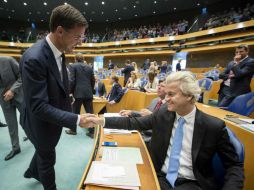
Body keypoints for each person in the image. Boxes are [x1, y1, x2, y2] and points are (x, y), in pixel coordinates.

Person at [88, 71, 244, 190]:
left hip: (191, 183)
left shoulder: (213, 126)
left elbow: (234, 166)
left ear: (189, 96)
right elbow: (135, 123)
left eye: (171, 94)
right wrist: (101, 120)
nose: (166, 98)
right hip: (159, 177)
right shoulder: (164, 113)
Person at [20, 5, 95, 190]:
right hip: (40, 123)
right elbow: (38, 106)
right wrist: (77, 118)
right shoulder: (34, 58)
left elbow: (58, 83)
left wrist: (66, 97)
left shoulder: (60, 51)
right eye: (77, 37)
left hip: (52, 119)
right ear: (60, 31)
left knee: (42, 151)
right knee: (48, 158)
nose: (80, 42)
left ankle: (31, 171)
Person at [120, 79, 166, 145]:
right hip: (141, 131)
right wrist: (131, 112)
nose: (158, 87)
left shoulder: (169, 106)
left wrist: (151, 115)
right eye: (158, 85)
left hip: (151, 138)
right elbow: (143, 114)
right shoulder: (155, 101)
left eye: (162, 86)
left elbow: (164, 123)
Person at [0, 56, 24, 160]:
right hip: (3, 99)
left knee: (26, 120)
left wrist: (12, 90)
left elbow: (22, 76)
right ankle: (16, 148)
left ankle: (36, 140)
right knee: (11, 124)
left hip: (18, 95)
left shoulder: (8, 60)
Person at [65, 53, 95, 136]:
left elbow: (72, 80)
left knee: (75, 112)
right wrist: (91, 90)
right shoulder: (89, 67)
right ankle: (92, 132)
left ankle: (73, 130)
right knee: (90, 112)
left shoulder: (72, 66)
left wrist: (70, 92)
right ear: (83, 59)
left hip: (78, 93)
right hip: (88, 93)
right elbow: (93, 80)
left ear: (75, 59)